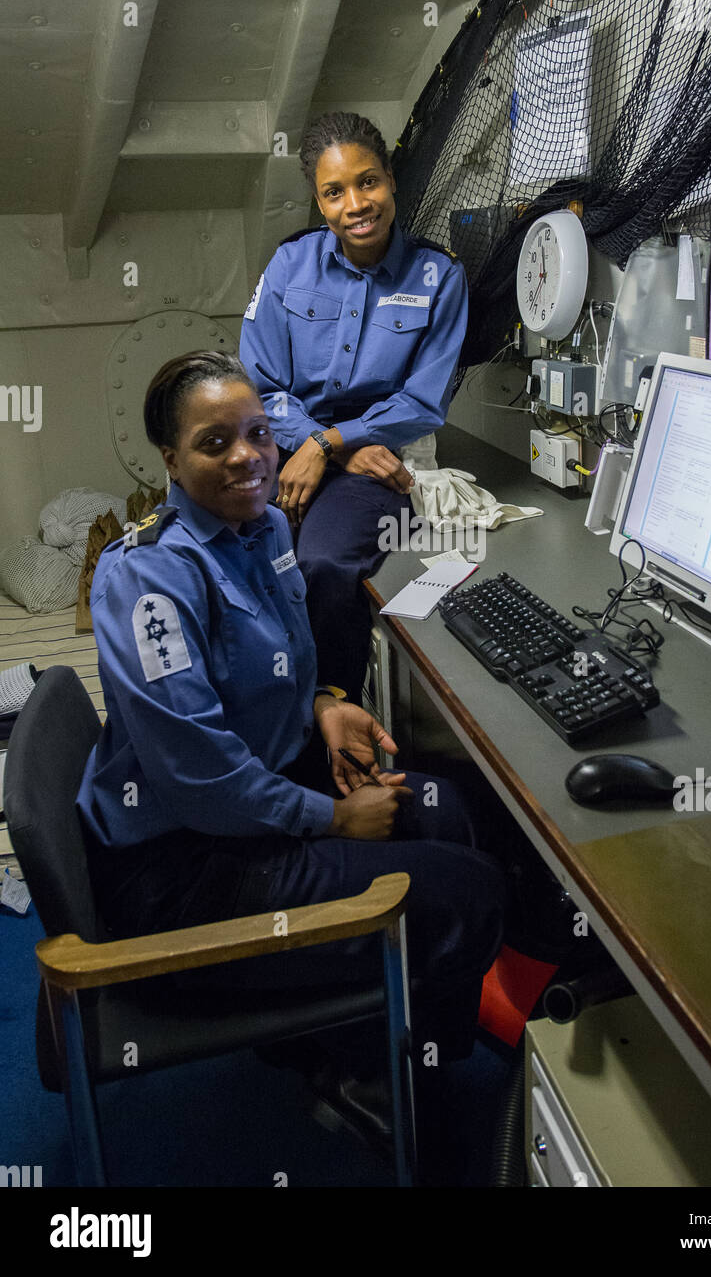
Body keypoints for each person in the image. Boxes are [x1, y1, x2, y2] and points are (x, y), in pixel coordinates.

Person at [75, 350, 504, 1150]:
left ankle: (363, 1039)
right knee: (466, 892)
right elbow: (199, 774)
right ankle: (376, 1084)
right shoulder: (148, 579)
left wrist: (323, 707)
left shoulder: (265, 525)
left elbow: (269, 665)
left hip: (251, 800)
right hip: (183, 870)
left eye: (258, 434)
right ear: (169, 460)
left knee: (448, 815)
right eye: (214, 443)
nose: (248, 457)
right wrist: (332, 819)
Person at [239, 111, 468, 704]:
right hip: (285, 447)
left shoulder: (439, 277)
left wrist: (329, 445)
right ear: (320, 205)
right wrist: (321, 444)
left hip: (375, 461)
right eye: (334, 192)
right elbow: (261, 387)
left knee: (320, 563)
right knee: (217, 550)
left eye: (367, 182)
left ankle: (334, 710)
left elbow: (421, 402)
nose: (356, 204)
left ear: (391, 180)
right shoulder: (290, 265)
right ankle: (241, 716)